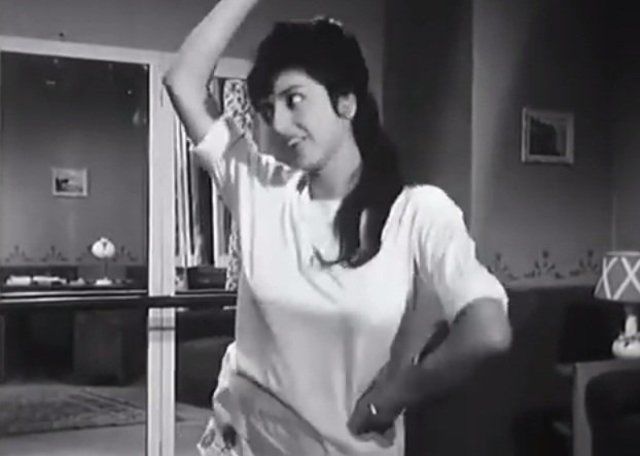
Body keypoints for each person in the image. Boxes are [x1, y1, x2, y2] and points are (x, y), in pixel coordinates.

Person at [164, 0, 512, 454]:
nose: (279, 124)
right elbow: (182, 80)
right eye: (268, 108)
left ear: (346, 101)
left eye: (294, 100)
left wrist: (395, 395)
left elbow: (487, 329)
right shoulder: (260, 188)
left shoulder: (418, 212)